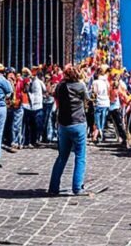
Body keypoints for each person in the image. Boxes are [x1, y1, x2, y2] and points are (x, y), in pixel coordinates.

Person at [48, 65, 91, 196]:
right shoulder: (80, 86)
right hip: (78, 123)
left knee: (62, 157)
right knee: (80, 156)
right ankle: (77, 187)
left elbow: (54, 95)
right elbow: (87, 99)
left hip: (63, 124)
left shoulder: (61, 86)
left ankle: (53, 187)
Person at [24, 69, 44, 148]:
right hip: (36, 105)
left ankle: (31, 140)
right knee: (35, 124)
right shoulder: (38, 82)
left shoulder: (30, 82)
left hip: (32, 105)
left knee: (31, 125)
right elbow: (45, 89)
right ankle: (34, 140)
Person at [91, 65, 111, 143]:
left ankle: (99, 130)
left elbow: (95, 92)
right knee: (103, 119)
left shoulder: (95, 82)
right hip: (106, 102)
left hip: (98, 102)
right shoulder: (106, 82)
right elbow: (108, 91)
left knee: (97, 119)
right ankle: (101, 131)